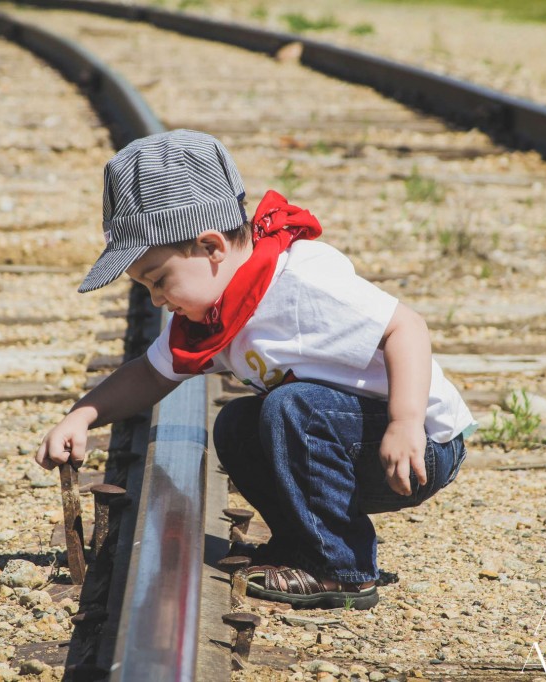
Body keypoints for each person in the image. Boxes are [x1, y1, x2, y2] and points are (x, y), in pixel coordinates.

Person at [35, 129, 476, 610]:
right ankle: (300, 546)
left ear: (211, 248)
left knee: (291, 408)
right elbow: (149, 374)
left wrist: (405, 422)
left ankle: (342, 570)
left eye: (159, 281)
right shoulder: (216, 312)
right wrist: (81, 415)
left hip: (418, 445)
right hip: (344, 437)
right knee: (239, 423)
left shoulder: (299, 282)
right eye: (146, 288)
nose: (157, 299)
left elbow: (407, 328)